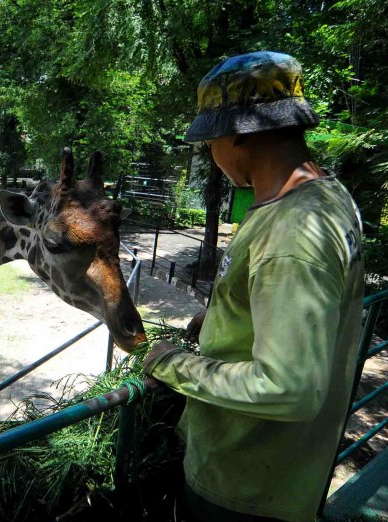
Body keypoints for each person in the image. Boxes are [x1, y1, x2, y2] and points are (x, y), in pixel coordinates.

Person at [144, 51, 365, 522]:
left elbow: (288, 388)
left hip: (243, 486)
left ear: (235, 135)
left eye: (210, 141)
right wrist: (222, 319)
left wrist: (172, 364)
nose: (212, 154)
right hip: (286, 474)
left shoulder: (292, 235)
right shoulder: (325, 195)